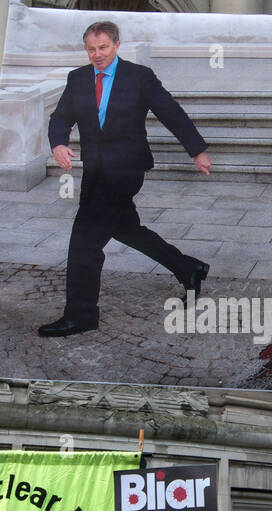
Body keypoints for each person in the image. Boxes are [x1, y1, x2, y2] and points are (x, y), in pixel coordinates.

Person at [41, 19, 213, 337]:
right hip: (96, 170)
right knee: (126, 230)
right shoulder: (77, 79)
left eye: (103, 47)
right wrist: (59, 143)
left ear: (117, 45)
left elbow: (171, 112)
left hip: (126, 169)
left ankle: (81, 315)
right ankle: (189, 268)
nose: (97, 54)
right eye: (91, 49)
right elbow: (60, 117)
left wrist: (197, 150)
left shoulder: (138, 77)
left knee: (85, 241)